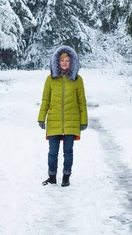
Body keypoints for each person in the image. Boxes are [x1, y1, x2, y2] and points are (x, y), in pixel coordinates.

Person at [38, 45, 88, 187]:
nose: (65, 63)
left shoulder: (77, 80)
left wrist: (83, 121)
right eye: (62, 60)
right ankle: (52, 176)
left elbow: (82, 102)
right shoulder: (50, 79)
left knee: (68, 151)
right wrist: (41, 117)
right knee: (53, 151)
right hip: (54, 120)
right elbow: (45, 100)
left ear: (72, 62)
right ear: (57, 62)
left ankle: (66, 176)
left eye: (67, 60)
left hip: (72, 121)